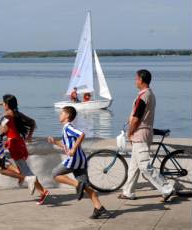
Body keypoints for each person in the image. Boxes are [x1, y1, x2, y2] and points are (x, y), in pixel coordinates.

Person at [118, 69, 175, 202]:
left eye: (136, 78)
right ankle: (128, 192)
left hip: (140, 133)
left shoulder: (143, 96)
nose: (135, 81)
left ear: (141, 80)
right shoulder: (149, 94)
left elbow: (137, 118)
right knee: (134, 165)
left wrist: (130, 132)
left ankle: (167, 188)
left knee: (144, 165)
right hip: (144, 132)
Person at [47, 106, 108, 219]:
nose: (60, 115)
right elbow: (66, 146)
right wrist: (55, 142)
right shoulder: (66, 129)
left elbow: (81, 134)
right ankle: (99, 208)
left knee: (55, 174)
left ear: (67, 116)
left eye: (62, 113)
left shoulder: (67, 127)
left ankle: (77, 185)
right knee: (87, 186)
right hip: (81, 160)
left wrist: (74, 148)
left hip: (74, 159)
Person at [1, 94, 50, 205]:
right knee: (19, 166)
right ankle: (20, 174)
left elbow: (3, 130)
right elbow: (32, 122)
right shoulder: (17, 114)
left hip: (13, 145)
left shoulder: (7, 116)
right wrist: (29, 136)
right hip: (19, 144)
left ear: (7, 104)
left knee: (25, 171)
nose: (3, 104)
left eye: (3, 103)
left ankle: (43, 191)